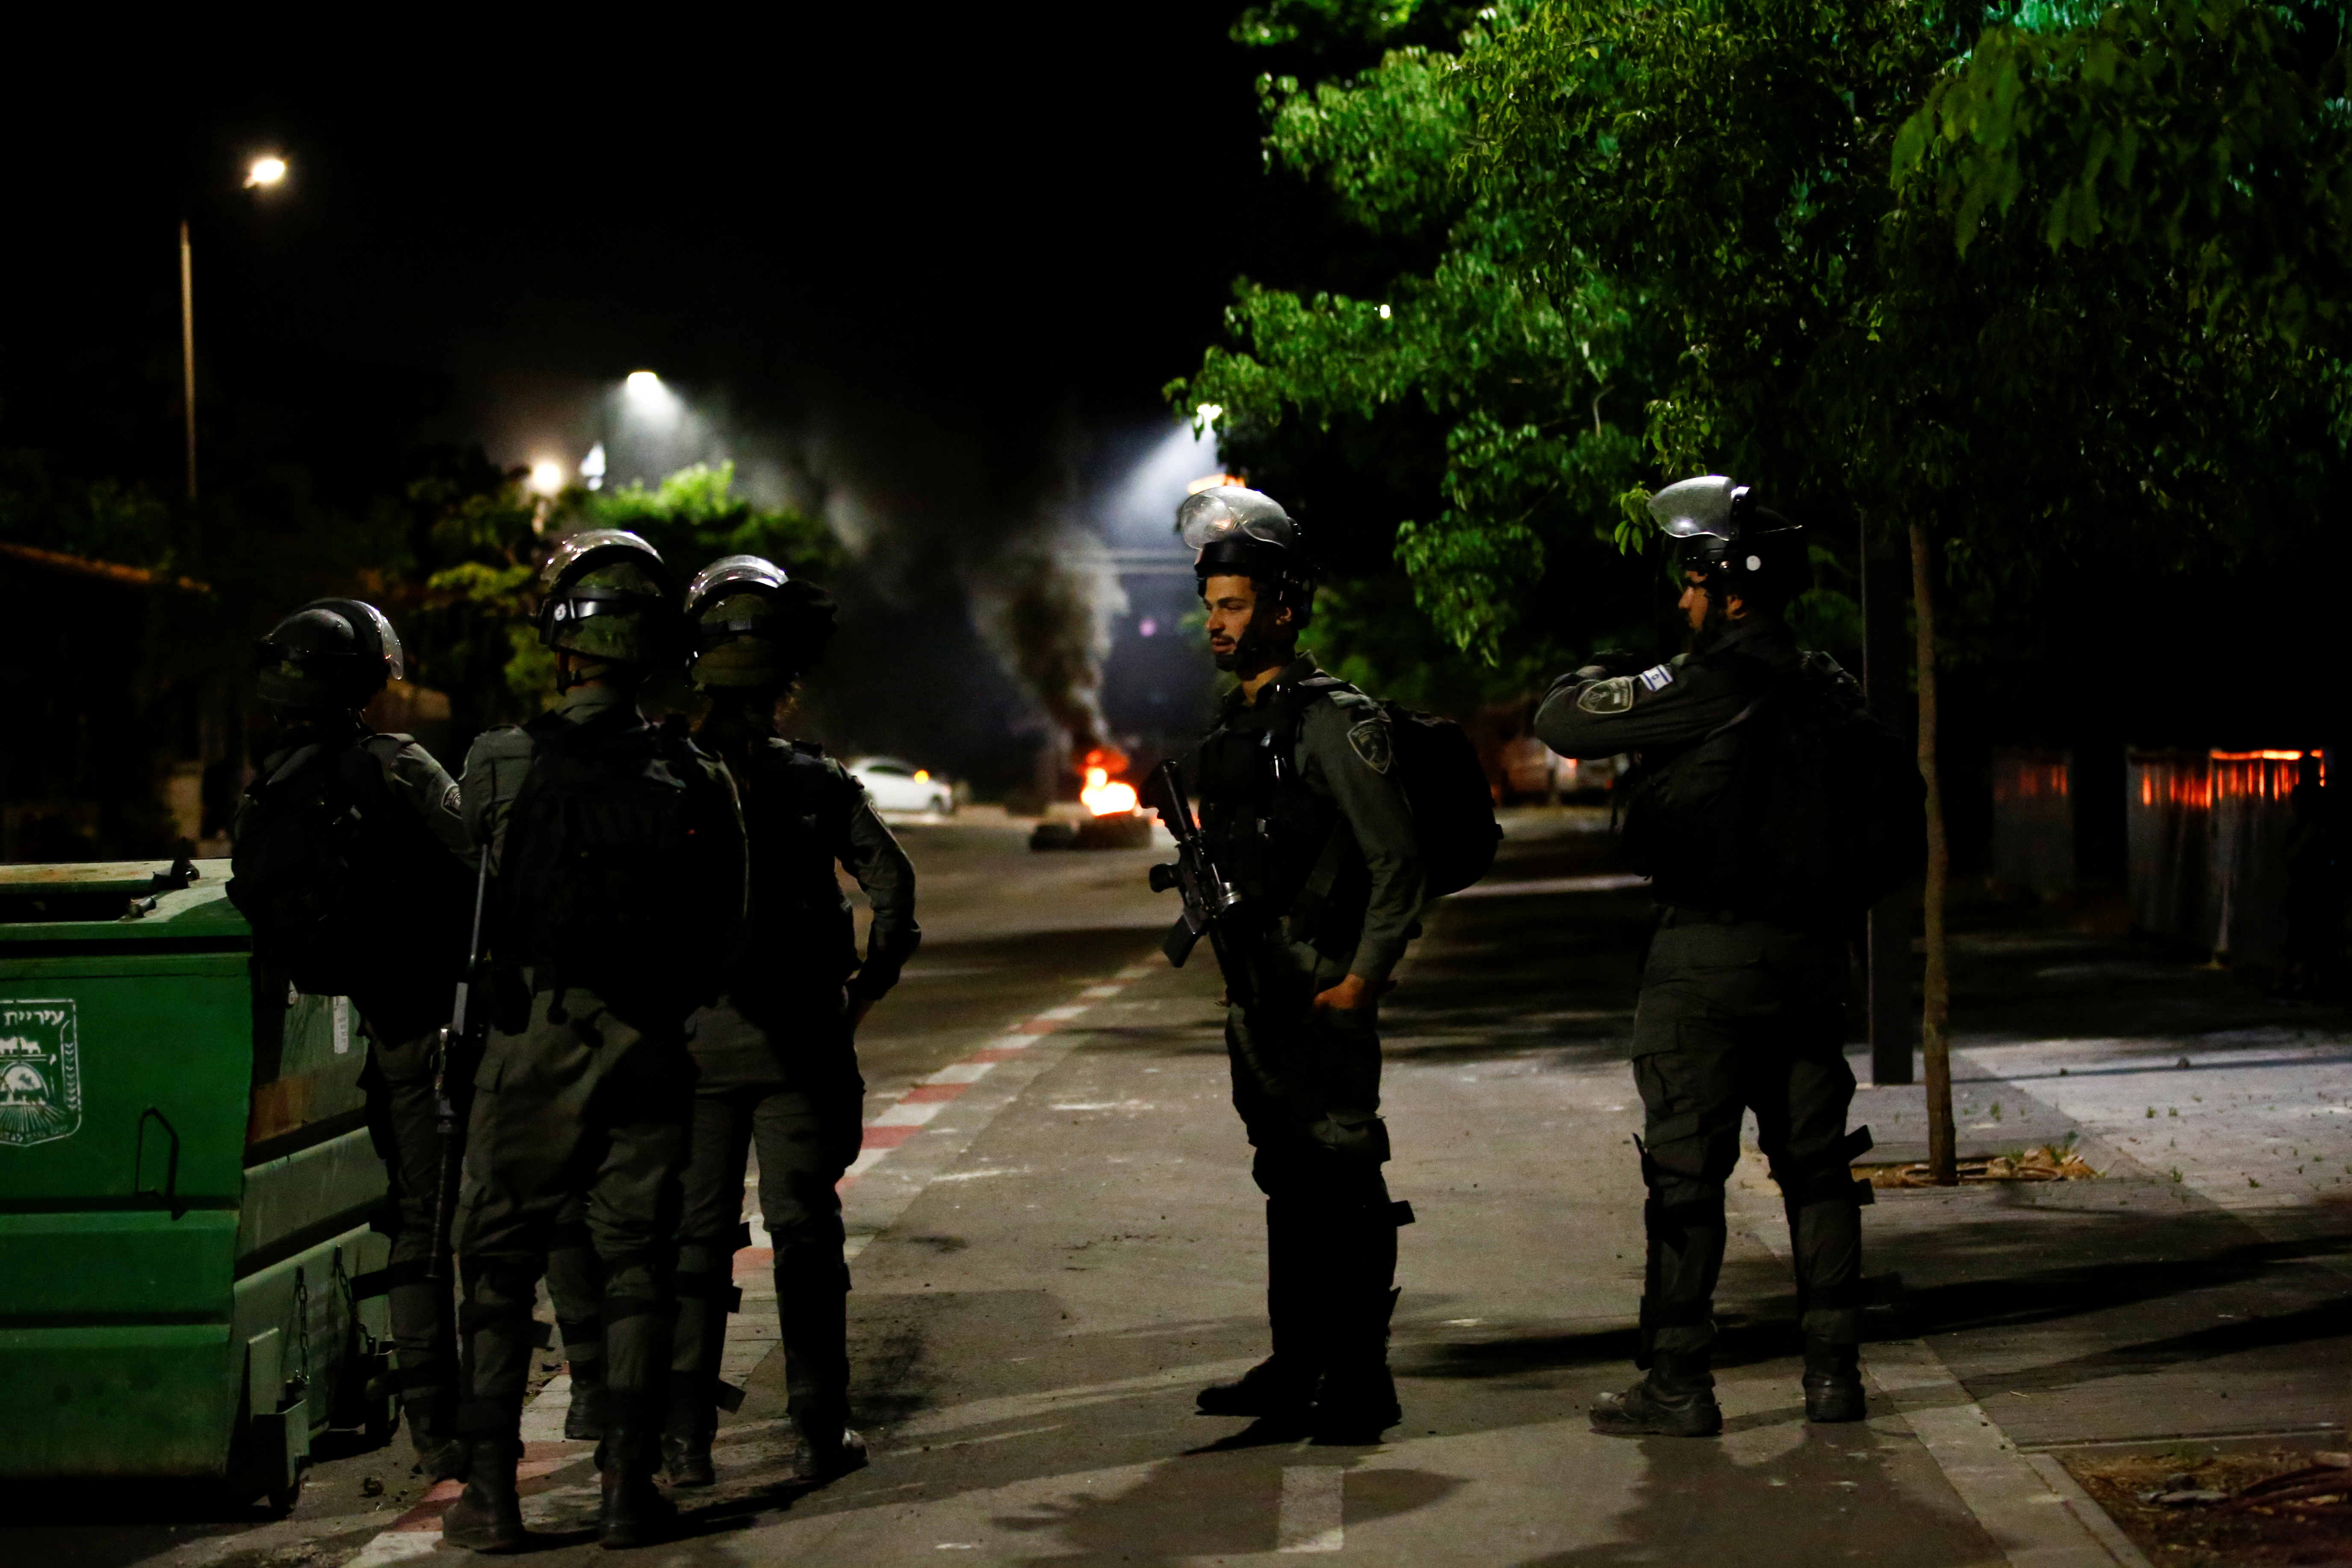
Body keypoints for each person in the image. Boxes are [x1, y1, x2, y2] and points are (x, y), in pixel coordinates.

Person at [1535, 475, 1890, 1438]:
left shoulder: (1704, 686)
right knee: (1816, 1170)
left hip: (1706, 959)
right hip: (1814, 962)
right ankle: (1832, 1377)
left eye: (1691, 581)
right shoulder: (1829, 689)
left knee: (1685, 1177)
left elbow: (1563, 725)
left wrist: (1599, 674)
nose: (1682, 599)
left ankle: (1680, 1382)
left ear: (1729, 588)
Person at [440, 530, 746, 1552]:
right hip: (650, 1044)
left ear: (563, 643)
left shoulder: (499, 762)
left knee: (492, 1263)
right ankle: (626, 1489)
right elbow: (723, 923)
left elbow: (456, 898)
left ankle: (491, 1497)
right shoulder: (696, 773)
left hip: (529, 1040)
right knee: (637, 1266)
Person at [638, 553, 919, 1488]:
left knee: (693, 1241)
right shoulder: (816, 782)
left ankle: (683, 1445)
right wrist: (860, 998)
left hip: (691, 1051)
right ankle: (815, 1427)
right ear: (785, 682)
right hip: (800, 1045)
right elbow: (894, 887)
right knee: (805, 1232)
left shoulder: (661, 774)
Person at [1174, 485, 1426, 1443]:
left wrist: (1362, 979)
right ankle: (1296, 1363)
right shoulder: (1239, 727)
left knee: (1344, 1182)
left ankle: (1360, 1378)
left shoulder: (1331, 721)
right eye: (1211, 608)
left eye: (1233, 606)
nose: (1216, 624)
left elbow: (1397, 858)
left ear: (1283, 605)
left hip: (1322, 991)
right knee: (1285, 1178)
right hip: (1257, 995)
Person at [229, 600, 477, 1480]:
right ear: (363, 684)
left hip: (375, 1026)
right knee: (467, 1224)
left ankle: (435, 1417)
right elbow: (482, 857)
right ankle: (453, 1428)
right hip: (440, 1023)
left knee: (417, 1216)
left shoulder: (269, 786)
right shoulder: (395, 765)